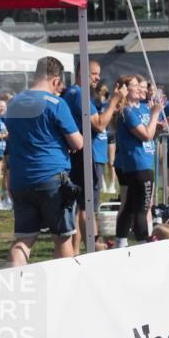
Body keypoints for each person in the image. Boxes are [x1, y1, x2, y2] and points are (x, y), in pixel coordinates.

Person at [3, 56, 84, 265]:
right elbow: (77, 143)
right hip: (52, 179)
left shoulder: (13, 104)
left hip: (21, 180)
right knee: (63, 238)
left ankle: (16, 285)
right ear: (55, 80)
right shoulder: (56, 103)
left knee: (23, 240)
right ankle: (64, 289)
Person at [62, 61, 127, 252]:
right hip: (84, 156)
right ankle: (93, 247)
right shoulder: (78, 94)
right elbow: (99, 124)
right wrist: (114, 100)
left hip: (85, 155)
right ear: (82, 72)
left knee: (81, 205)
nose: (97, 78)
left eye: (98, 74)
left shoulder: (77, 94)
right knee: (87, 205)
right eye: (94, 74)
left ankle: (76, 250)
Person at [114, 75, 165, 247]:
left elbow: (151, 136)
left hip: (142, 162)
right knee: (142, 208)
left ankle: (121, 244)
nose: (139, 88)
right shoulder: (127, 111)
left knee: (130, 206)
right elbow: (145, 135)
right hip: (138, 165)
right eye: (135, 85)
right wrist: (156, 113)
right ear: (125, 90)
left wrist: (156, 126)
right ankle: (143, 244)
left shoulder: (139, 109)